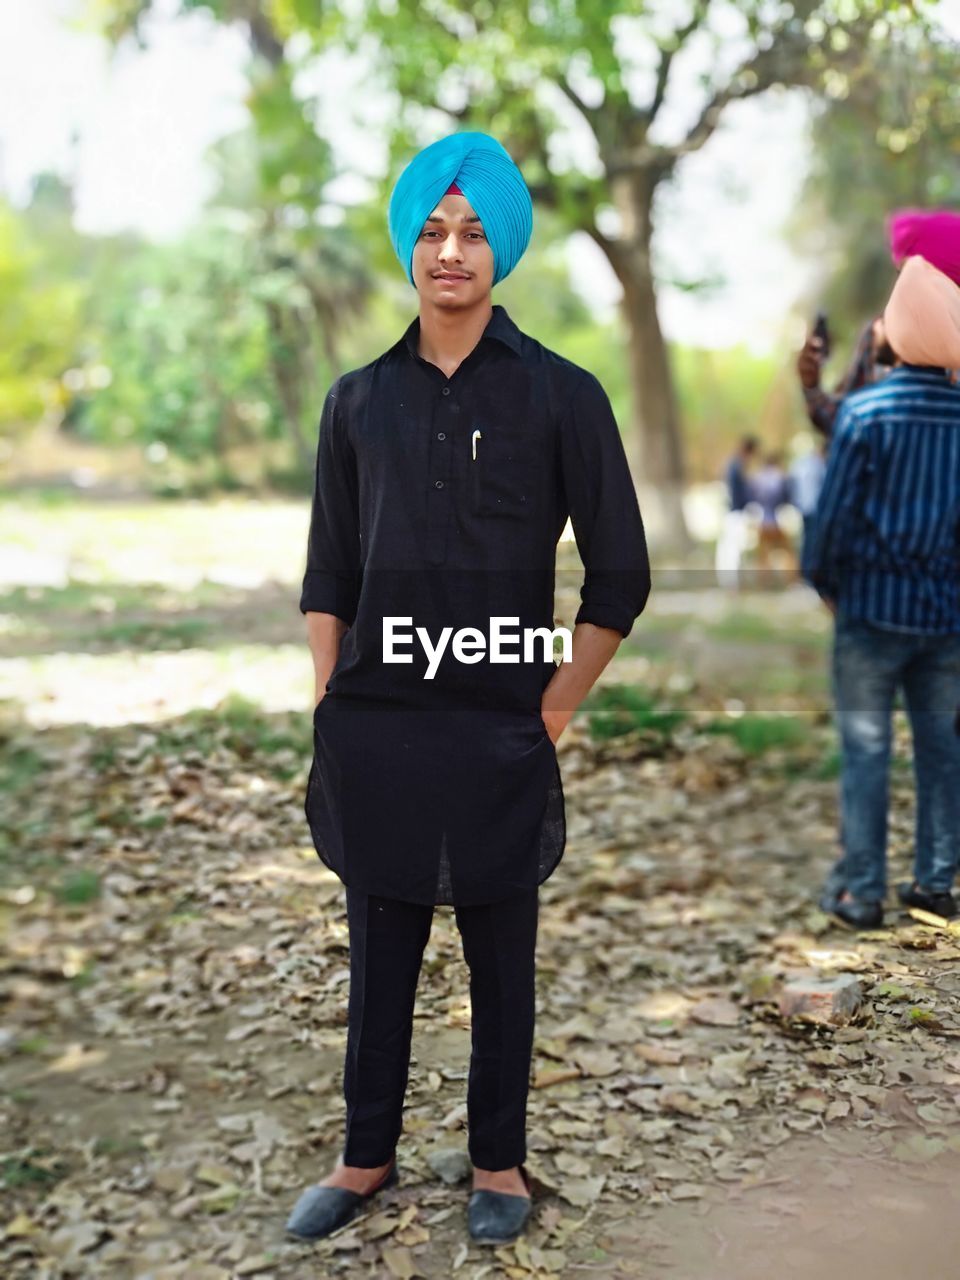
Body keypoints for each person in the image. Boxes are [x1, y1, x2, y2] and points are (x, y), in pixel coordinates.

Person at [285, 131, 650, 1246]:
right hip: (382, 726)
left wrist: (551, 705)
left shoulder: (564, 396)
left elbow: (621, 571)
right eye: (434, 230)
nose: (453, 250)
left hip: (500, 726)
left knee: (502, 954)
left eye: (475, 231)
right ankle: (364, 1155)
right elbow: (328, 571)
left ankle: (499, 1160)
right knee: (381, 948)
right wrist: (328, 702)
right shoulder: (357, 402)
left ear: (505, 251)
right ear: (409, 247)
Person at [802, 347, 960, 930]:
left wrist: (823, 580)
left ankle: (863, 894)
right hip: (946, 619)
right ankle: (936, 884)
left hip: (871, 611)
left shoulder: (866, 413)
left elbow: (834, 512)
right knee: (942, 750)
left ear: (893, 347)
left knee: (867, 751)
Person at [715, 435, 758, 588]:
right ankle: (731, 583)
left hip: (732, 511)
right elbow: (737, 492)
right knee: (732, 549)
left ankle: (732, 582)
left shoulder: (732, 464)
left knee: (730, 548)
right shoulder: (736, 466)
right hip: (735, 512)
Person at [751, 451, 796, 584]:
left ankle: (764, 582)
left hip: (762, 521)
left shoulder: (757, 478)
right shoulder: (780, 476)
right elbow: (787, 497)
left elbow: (752, 498)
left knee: (763, 554)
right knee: (788, 552)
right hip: (778, 520)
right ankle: (792, 580)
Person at [787, 436, 827, 564]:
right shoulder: (817, 464)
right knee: (812, 539)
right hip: (814, 508)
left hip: (803, 506)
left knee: (806, 539)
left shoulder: (798, 464)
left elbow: (791, 486)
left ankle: (805, 568)